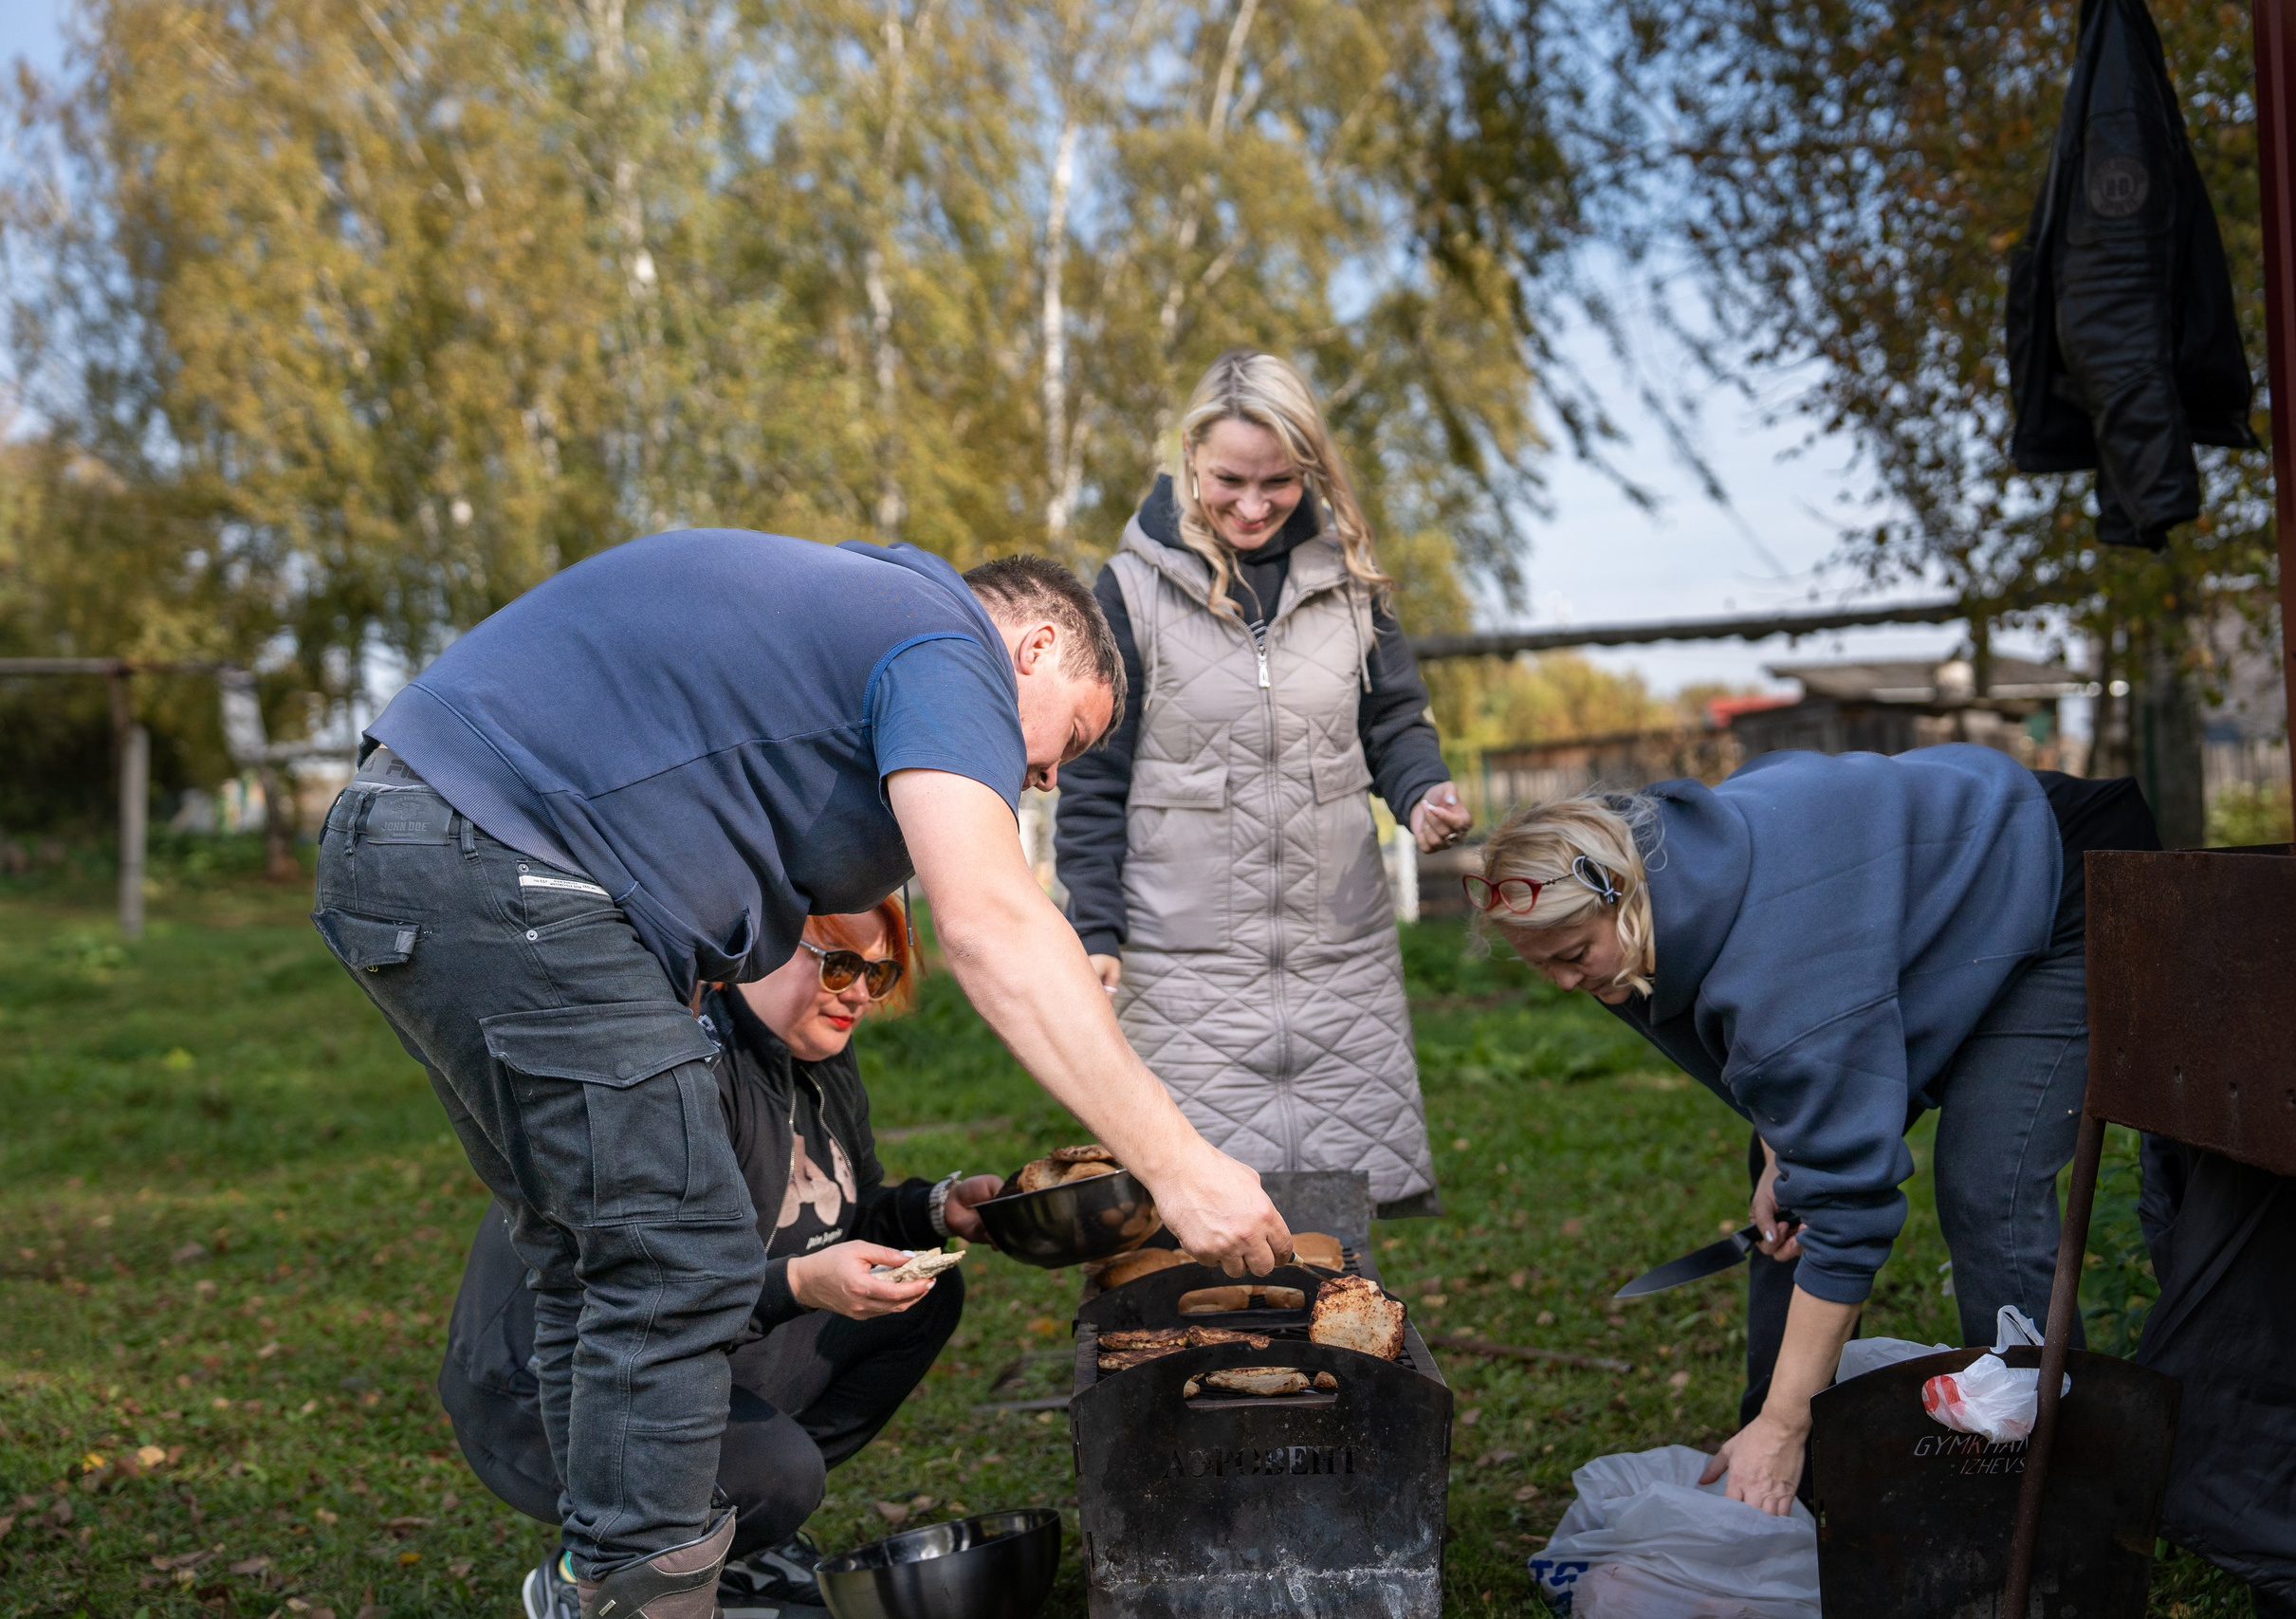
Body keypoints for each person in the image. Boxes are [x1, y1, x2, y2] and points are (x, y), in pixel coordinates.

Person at [314, 534, 1291, 1619]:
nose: (1053, 776)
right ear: (1036, 645)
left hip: (408, 840)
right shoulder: (943, 641)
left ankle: (607, 1582)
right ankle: (651, 1600)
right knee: (672, 1256)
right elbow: (992, 923)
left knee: (588, 1258)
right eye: (1075, 735)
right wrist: (1178, 1164)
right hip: (502, 857)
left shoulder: (858, 612)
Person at [1465, 746, 2157, 1517]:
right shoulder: (1665, 868)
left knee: (1984, 1182)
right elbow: (1780, 1083)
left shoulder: (1778, 962)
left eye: (1572, 956)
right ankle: (1785, 1474)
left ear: (1622, 897)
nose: (1566, 984)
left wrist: (1789, 1419)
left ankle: (2060, 1497)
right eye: (1543, 968)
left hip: (2052, 876)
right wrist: (1781, 1148)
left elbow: (1850, 1199)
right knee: (1792, 1189)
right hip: (1920, 910)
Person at [443, 900, 986, 1615]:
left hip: (676, 1334)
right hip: (548, 1387)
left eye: (879, 973)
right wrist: (799, 1282)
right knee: (779, 1473)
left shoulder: (817, 1056)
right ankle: (594, 1572)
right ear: (755, 950)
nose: (859, 991)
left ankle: (725, 1542)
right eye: (842, 964)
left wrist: (937, 1210)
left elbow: (840, 1213)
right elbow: (647, 1298)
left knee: (921, 1296)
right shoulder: (685, 1074)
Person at [1055, 351, 1472, 1218]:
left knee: (1332, 1242)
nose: (1251, 505)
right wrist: (1092, 926)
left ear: (1310, 469)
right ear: (1189, 457)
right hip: (1184, 971)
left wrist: (1423, 793)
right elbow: (1095, 771)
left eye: (1279, 482)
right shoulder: (1129, 587)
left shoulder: (1352, 578)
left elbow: (1393, 723)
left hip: (1337, 956)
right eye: (1229, 480)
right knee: (1189, 1233)